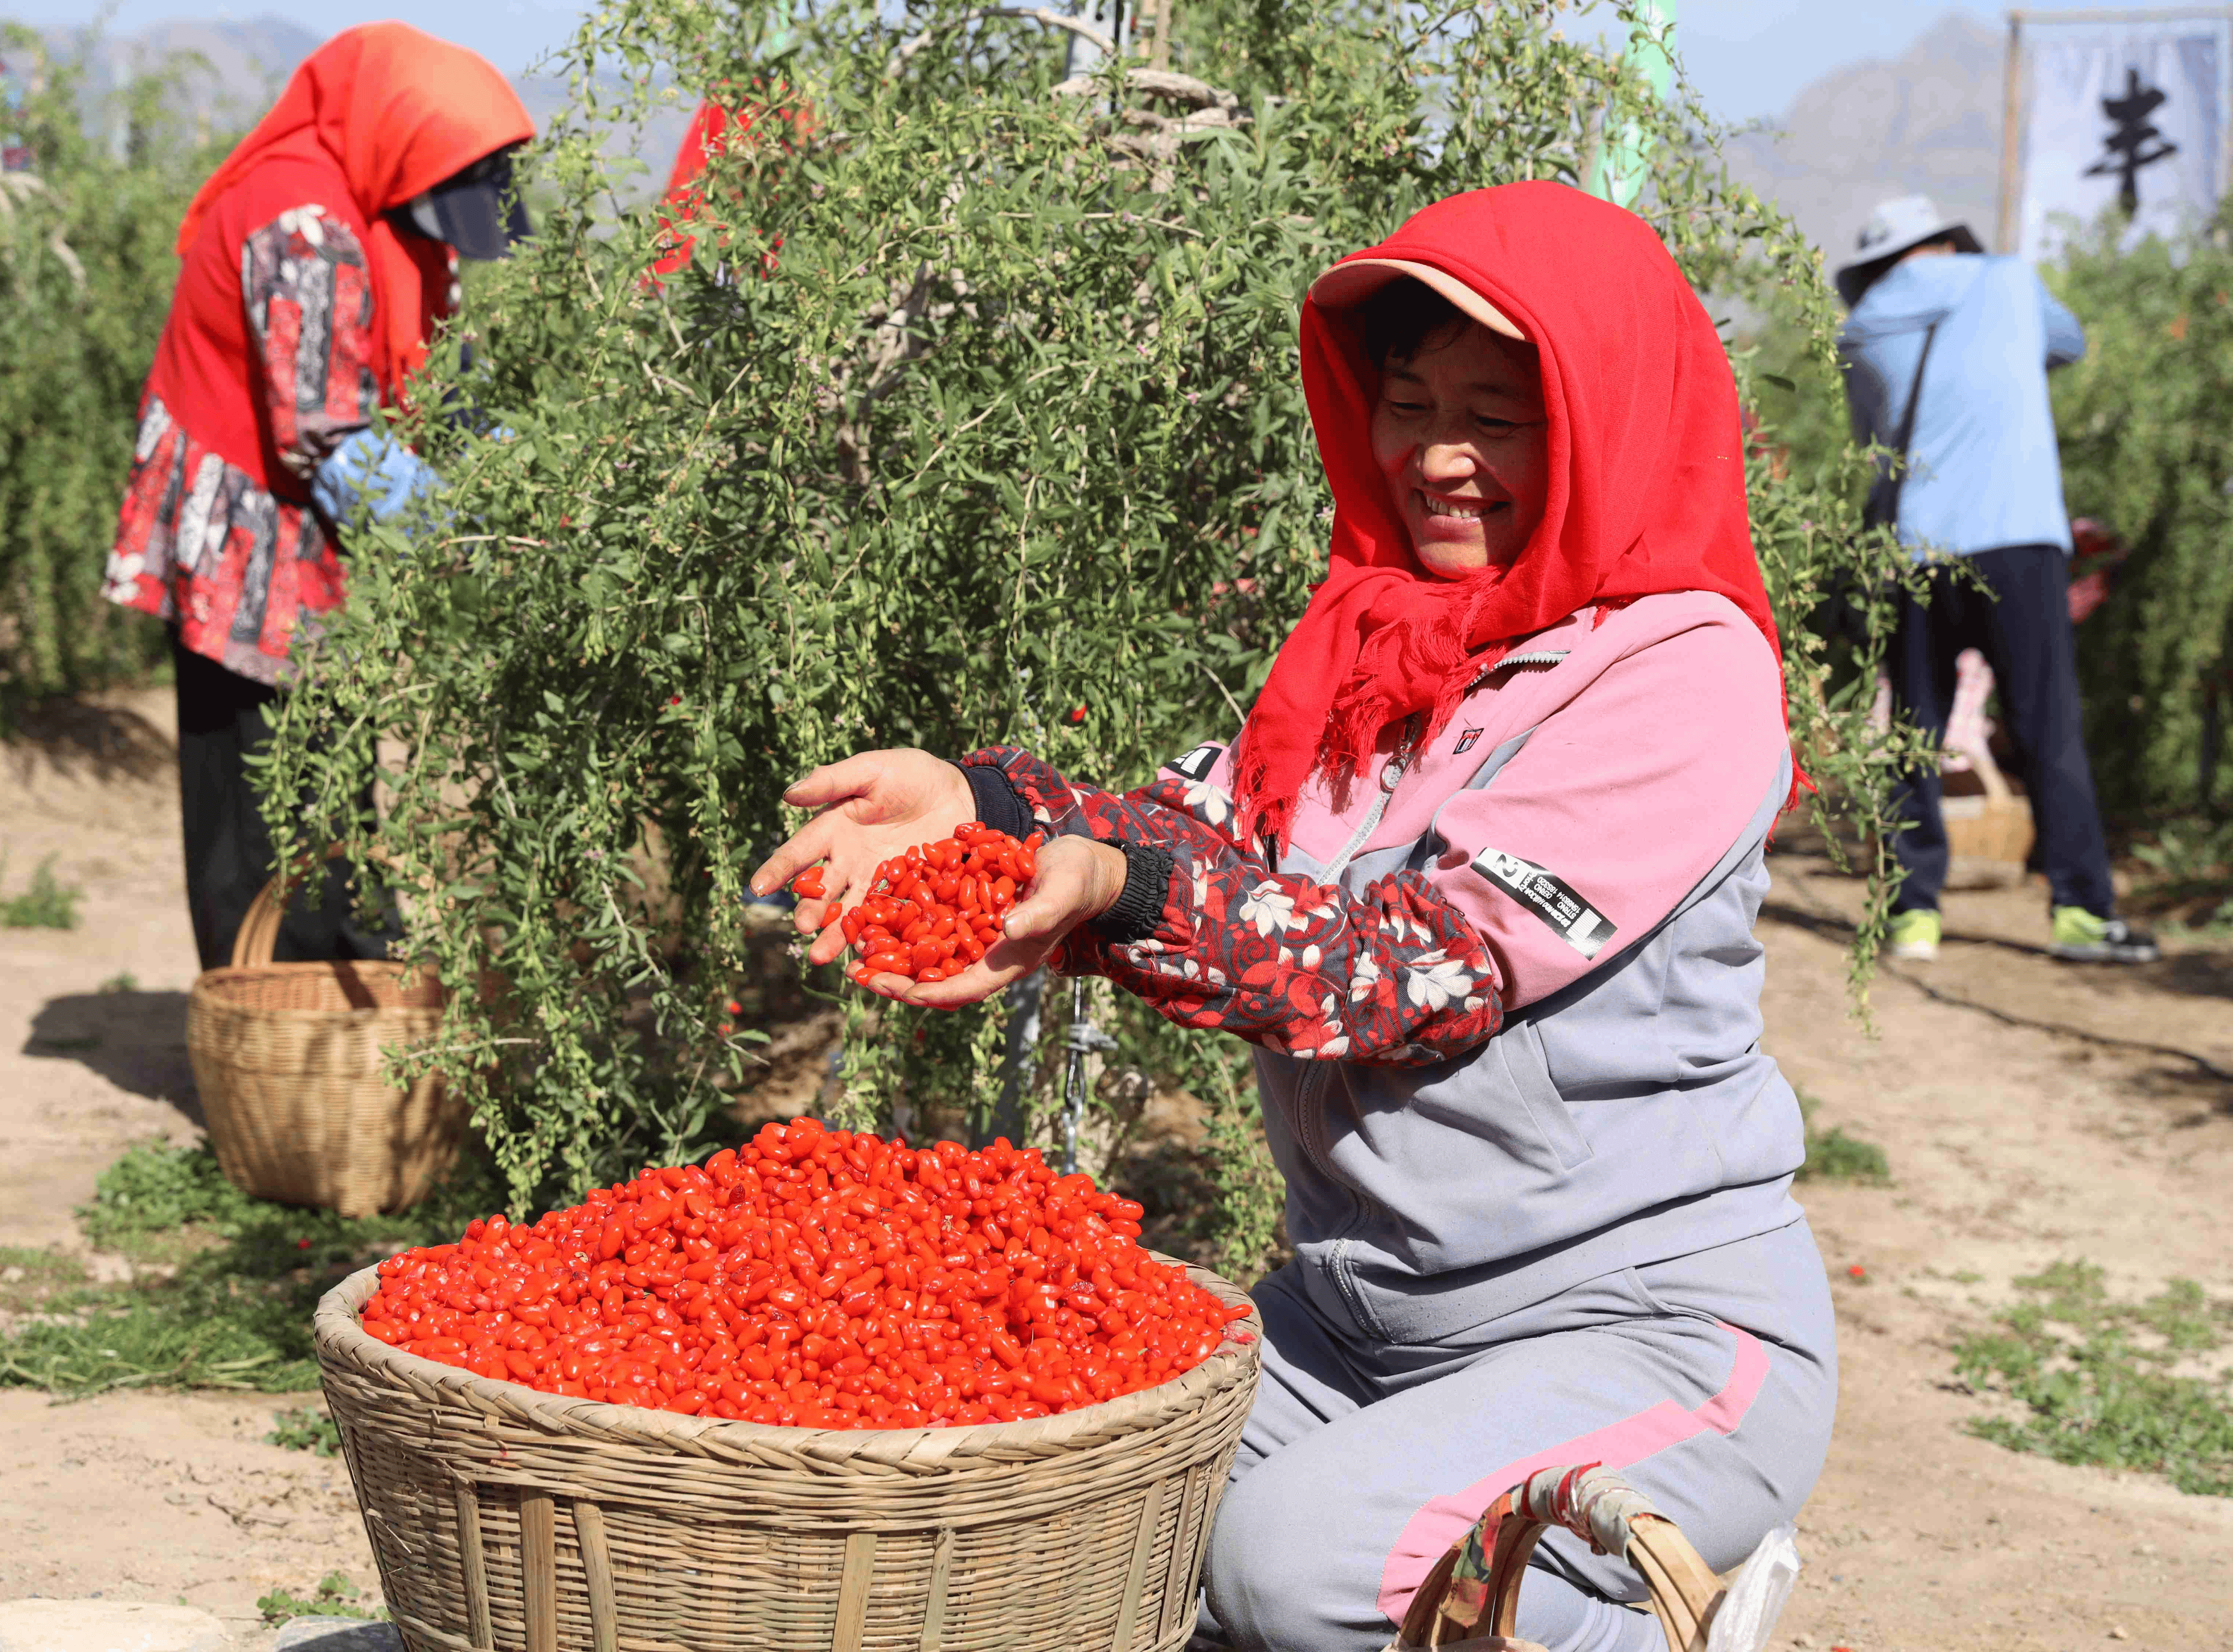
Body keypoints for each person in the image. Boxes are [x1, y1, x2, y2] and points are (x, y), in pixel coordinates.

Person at [754, 182, 1834, 1652]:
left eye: (1496, 419)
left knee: (1289, 1569)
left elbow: (1412, 971)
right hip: (1354, 1328)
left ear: (1602, 422)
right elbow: (1192, 839)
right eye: (1406, 403)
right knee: (1083, 1501)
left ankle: (1650, 1632)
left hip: (1635, 1330)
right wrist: (997, 815)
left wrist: (1119, 891)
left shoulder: (1678, 674)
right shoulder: (1380, 644)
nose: (1436, 459)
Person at [101, 23, 533, 971]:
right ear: (399, 140)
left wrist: (529, 470)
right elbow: (327, 435)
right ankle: (267, 1032)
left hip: (311, 543)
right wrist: (494, 539)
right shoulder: (298, 221)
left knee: (330, 792)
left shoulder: (386, 210)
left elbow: (434, 391)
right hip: (242, 546)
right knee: (256, 807)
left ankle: (340, 1016)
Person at [1835, 194, 2155, 965]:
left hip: (1916, 546)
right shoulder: (2007, 281)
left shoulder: (1859, 328)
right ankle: (2080, 912)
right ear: (1947, 243)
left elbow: (1872, 452)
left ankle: (1911, 916)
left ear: (1875, 268)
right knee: (2047, 726)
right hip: (2017, 536)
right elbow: (2067, 345)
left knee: (1912, 730)